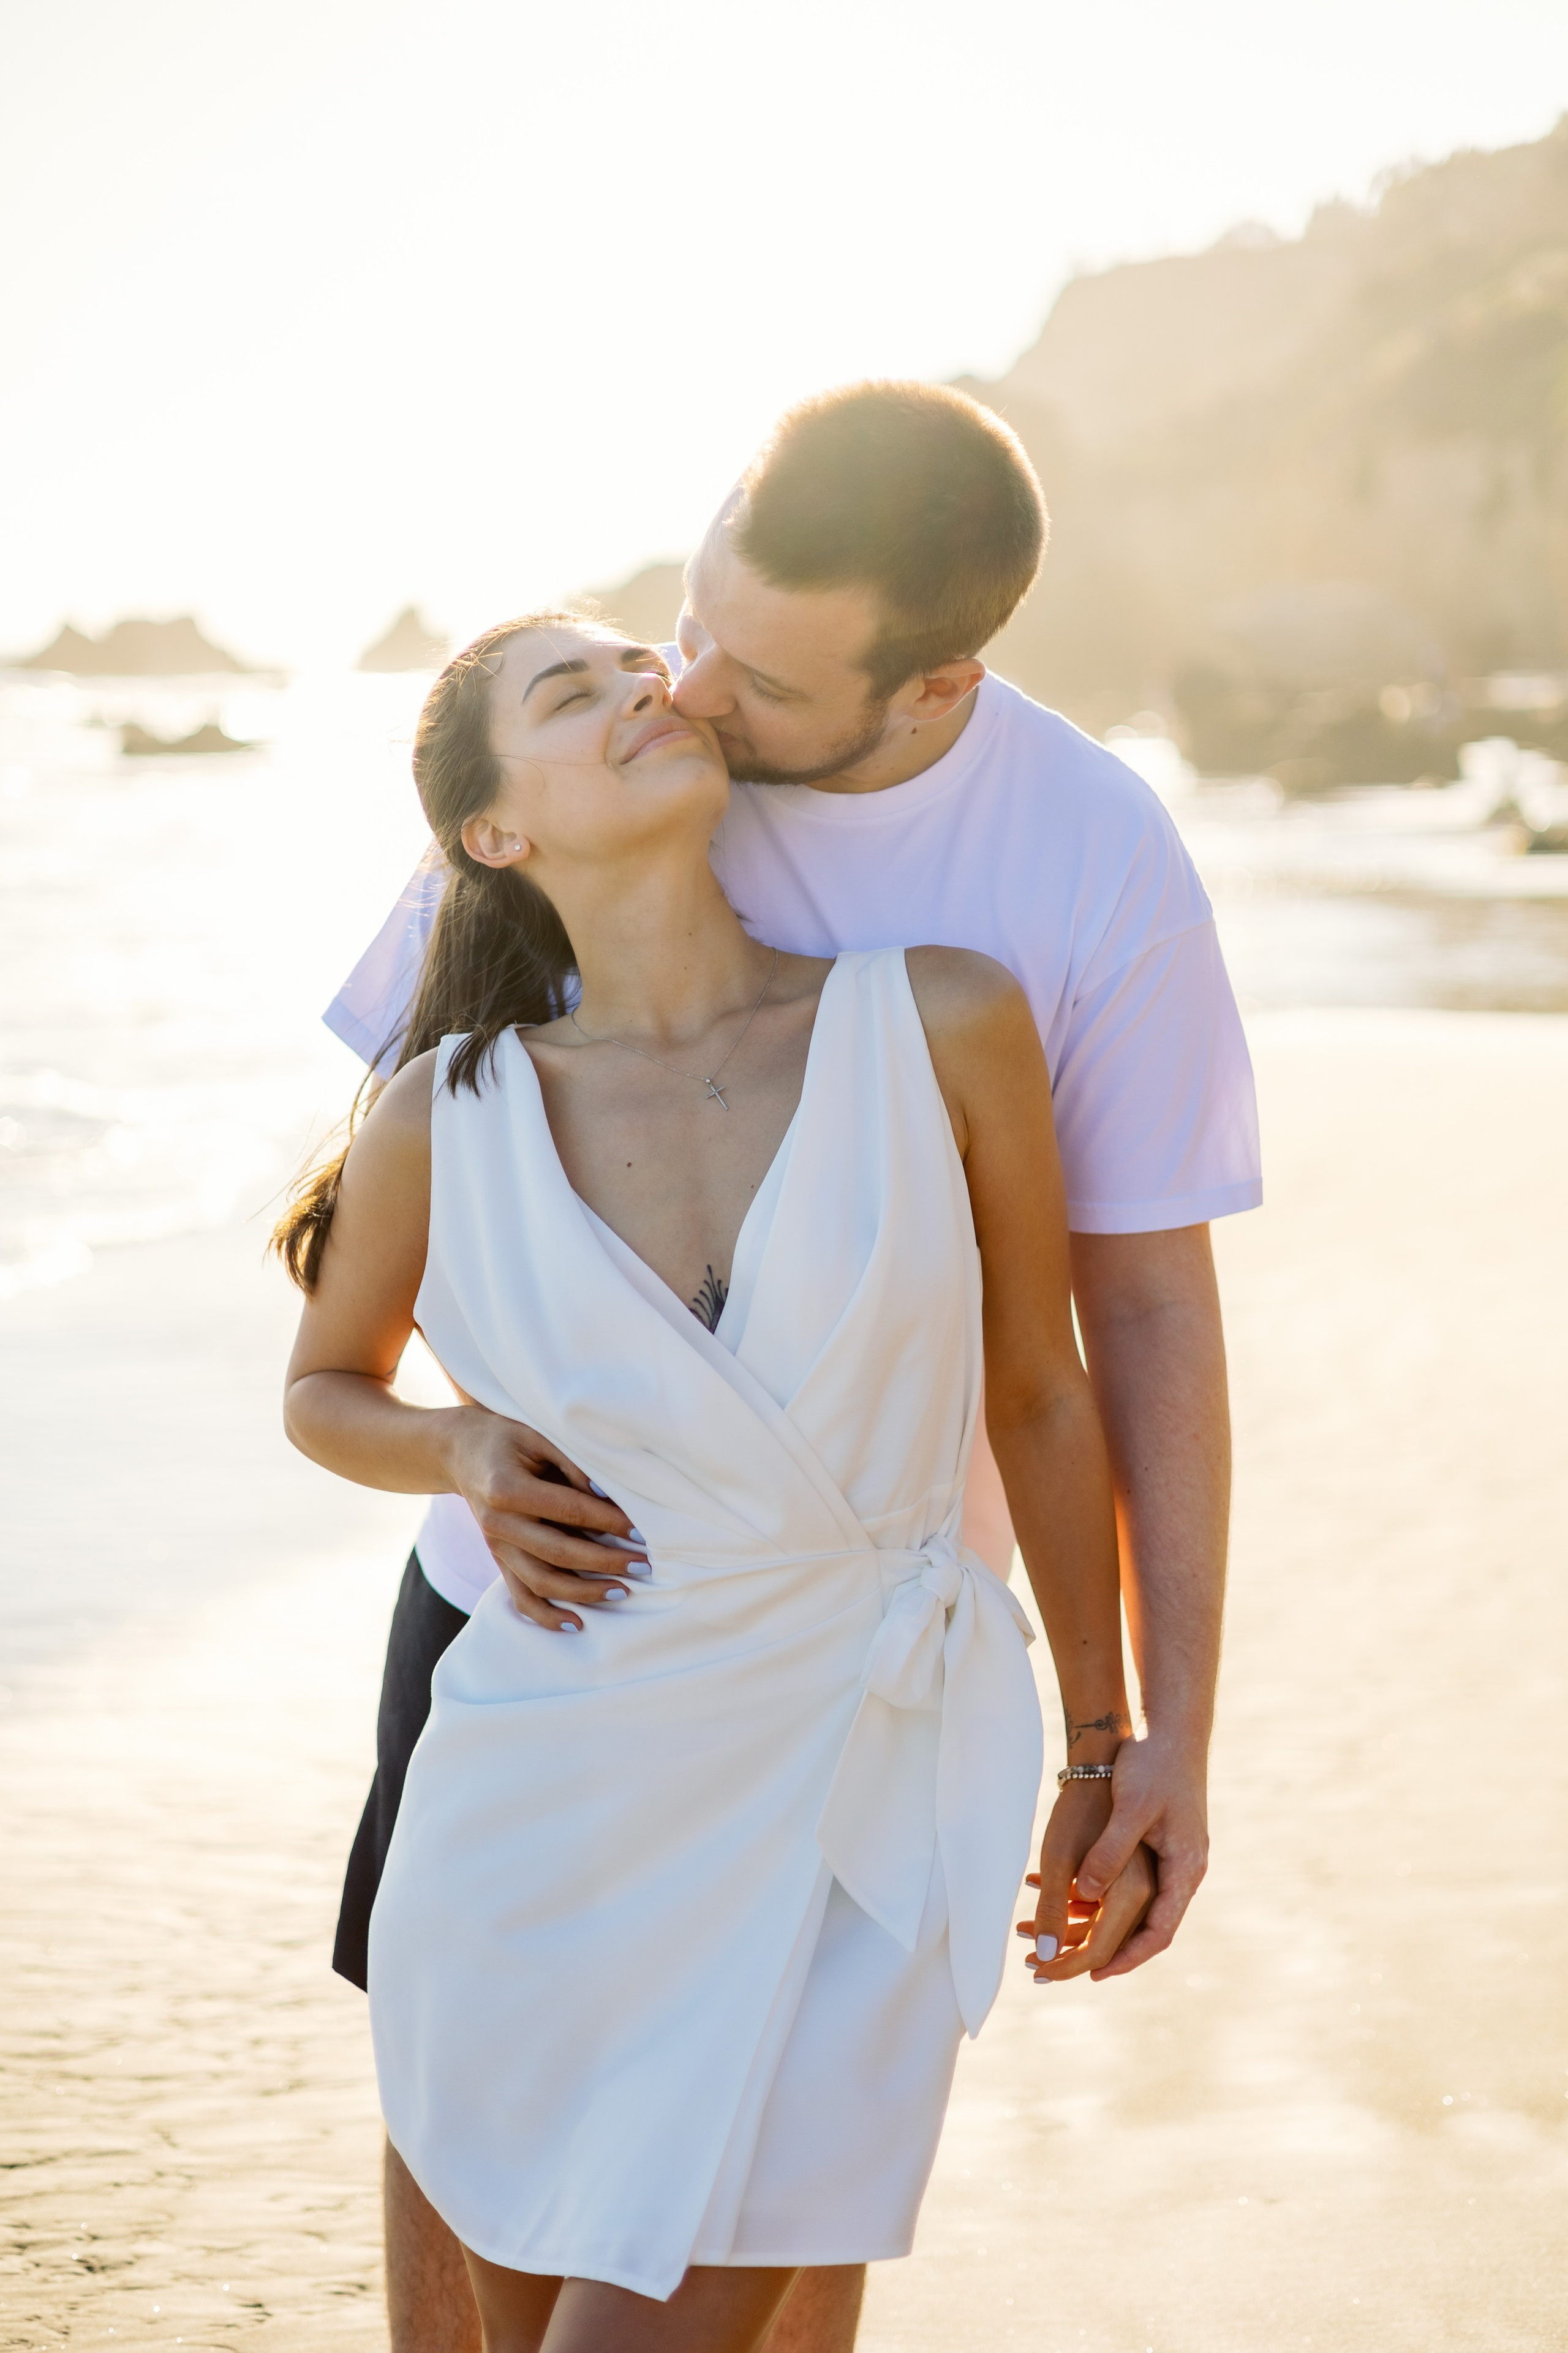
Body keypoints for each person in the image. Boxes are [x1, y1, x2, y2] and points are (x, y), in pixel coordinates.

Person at [322, 381, 1261, 2352]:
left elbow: (1124, 1325)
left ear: (930, 691)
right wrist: (460, 1450)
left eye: (747, 671)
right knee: (479, 2168)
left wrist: (1143, 1729)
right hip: (545, 1655)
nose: (681, 687)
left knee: (771, 2224)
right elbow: (399, 1233)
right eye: (684, 616)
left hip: (855, 1679)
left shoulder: (1070, 876)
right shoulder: (587, 779)